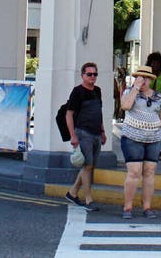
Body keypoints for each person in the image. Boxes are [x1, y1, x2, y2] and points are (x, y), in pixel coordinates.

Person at [119, 64, 161, 219]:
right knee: (134, 172)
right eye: (139, 78)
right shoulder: (130, 92)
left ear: (150, 80)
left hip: (154, 138)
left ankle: (147, 207)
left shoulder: (158, 97)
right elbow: (125, 106)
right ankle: (127, 207)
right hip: (132, 138)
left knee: (149, 172)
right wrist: (135, 88)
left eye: (145, 78)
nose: (142, 81)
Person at [64, 61, 107, 211]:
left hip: (96, 133)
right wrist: (73, 136)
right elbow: (69, 115)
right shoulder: (78, 91)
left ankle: (72, 193)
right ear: (82, 75)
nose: (92, 77)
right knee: (87, 166)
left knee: (89, 166)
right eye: (89, 74)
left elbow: (99, 112)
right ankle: (89, 199)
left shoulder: (98, 91)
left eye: (95, 74)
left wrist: (102, 131)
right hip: (83, 133)